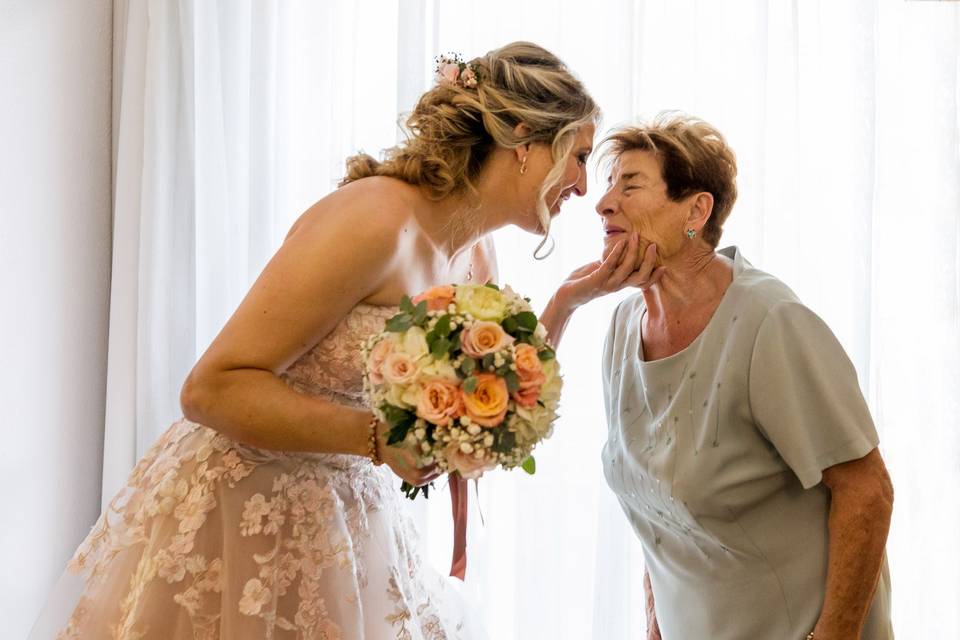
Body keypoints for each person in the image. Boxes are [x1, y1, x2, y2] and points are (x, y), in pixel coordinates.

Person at [31, 41, 601, 640]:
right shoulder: (375, 219)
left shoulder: (477, 256)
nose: (585, 187)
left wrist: (565, 304)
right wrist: (379, 440)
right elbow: (210, 388)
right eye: (579, 156)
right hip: (244, 512)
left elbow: (481, 401)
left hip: (350, 520)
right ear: (523, 139)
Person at [542, 112, 894, 639]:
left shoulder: (769, 321)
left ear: (696, 210)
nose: (603, 202)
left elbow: (868, 489)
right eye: (609, 184)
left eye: (630, 185)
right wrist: (655, 621)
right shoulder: (622, 326)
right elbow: (653, 498)